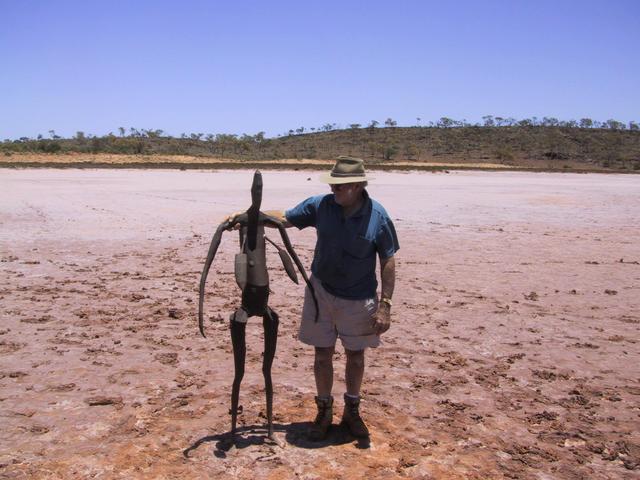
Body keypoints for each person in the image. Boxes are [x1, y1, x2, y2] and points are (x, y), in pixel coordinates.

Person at [229, 156, 399, 440]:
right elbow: (284, 218)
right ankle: (324, 409)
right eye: (332, 185)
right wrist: (247, 217)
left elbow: (388, 260)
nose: (334, 190)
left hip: (359, 298)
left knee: (355, 356)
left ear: (357, 186)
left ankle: (352, 411)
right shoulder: (321, 205)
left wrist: (385, 305)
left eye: (340, 186)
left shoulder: (378, 217)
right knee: (322, 355)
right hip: (321, 292)